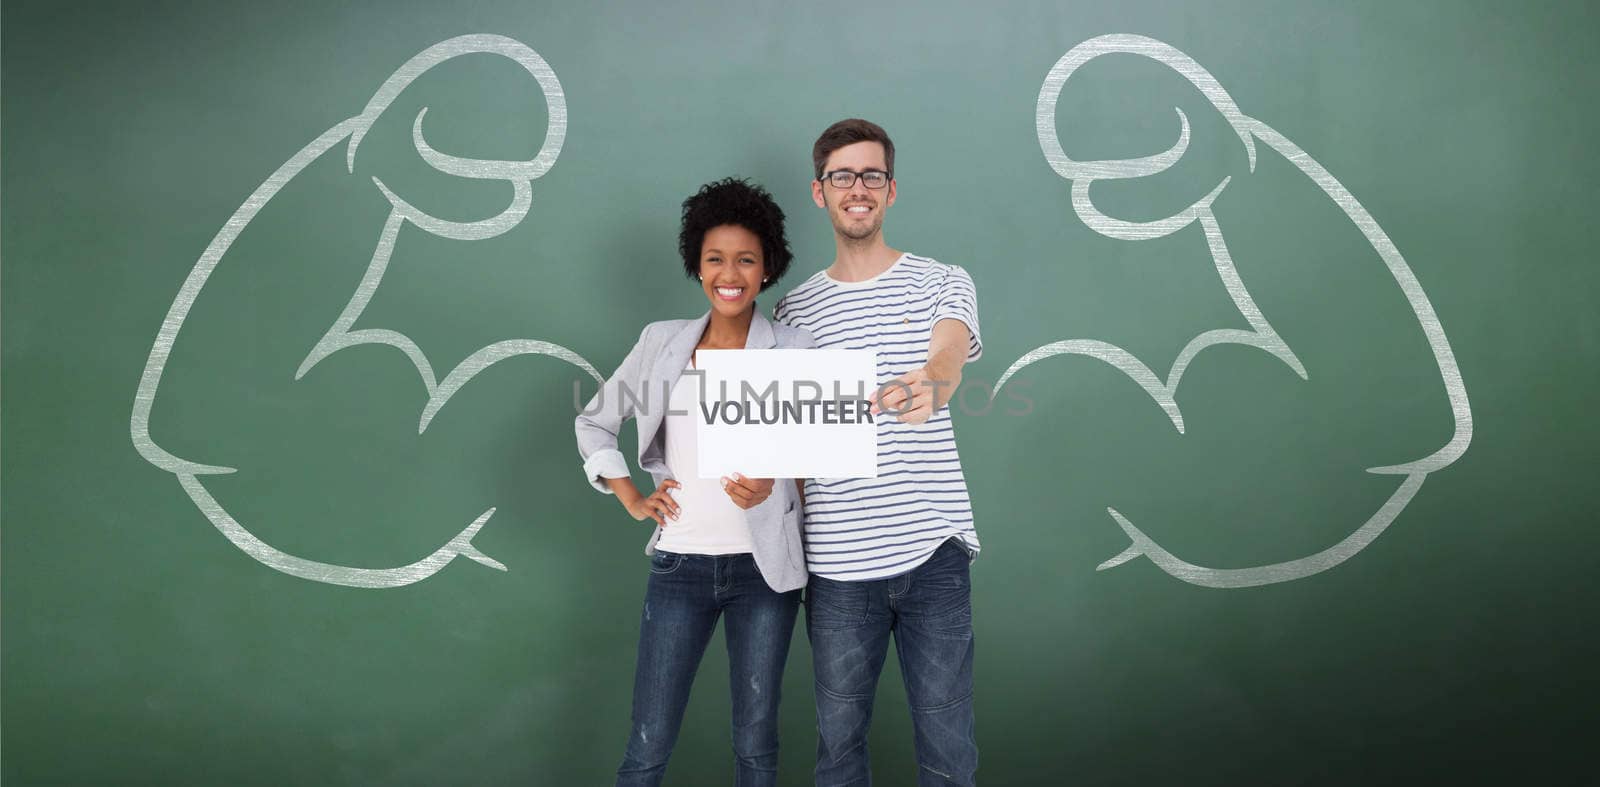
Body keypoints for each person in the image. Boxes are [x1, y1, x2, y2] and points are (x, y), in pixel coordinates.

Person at [575, 178, 816, 787]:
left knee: (757, 742)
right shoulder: (661, 344)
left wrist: (774, 480)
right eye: (715, 259)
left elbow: (821, 450)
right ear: (697, 266)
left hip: (765, 571)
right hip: (679, 564)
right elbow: (595, 420)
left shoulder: (796, 348)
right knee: (649, 740)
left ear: (767, 270)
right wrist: (627, 493)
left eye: (746, 259)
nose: (729, 273)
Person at [773, 119, 983, 786]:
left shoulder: (942, 281)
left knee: (950, 756)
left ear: (891, 190)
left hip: (933, 556)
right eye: (843, 176)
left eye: (871, 175)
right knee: (837, 754)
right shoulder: (792, 314)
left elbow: (948, 351)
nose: (857, 187)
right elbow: (793, 449)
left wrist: (935, 380)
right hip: (835, 569)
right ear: (819, 191)